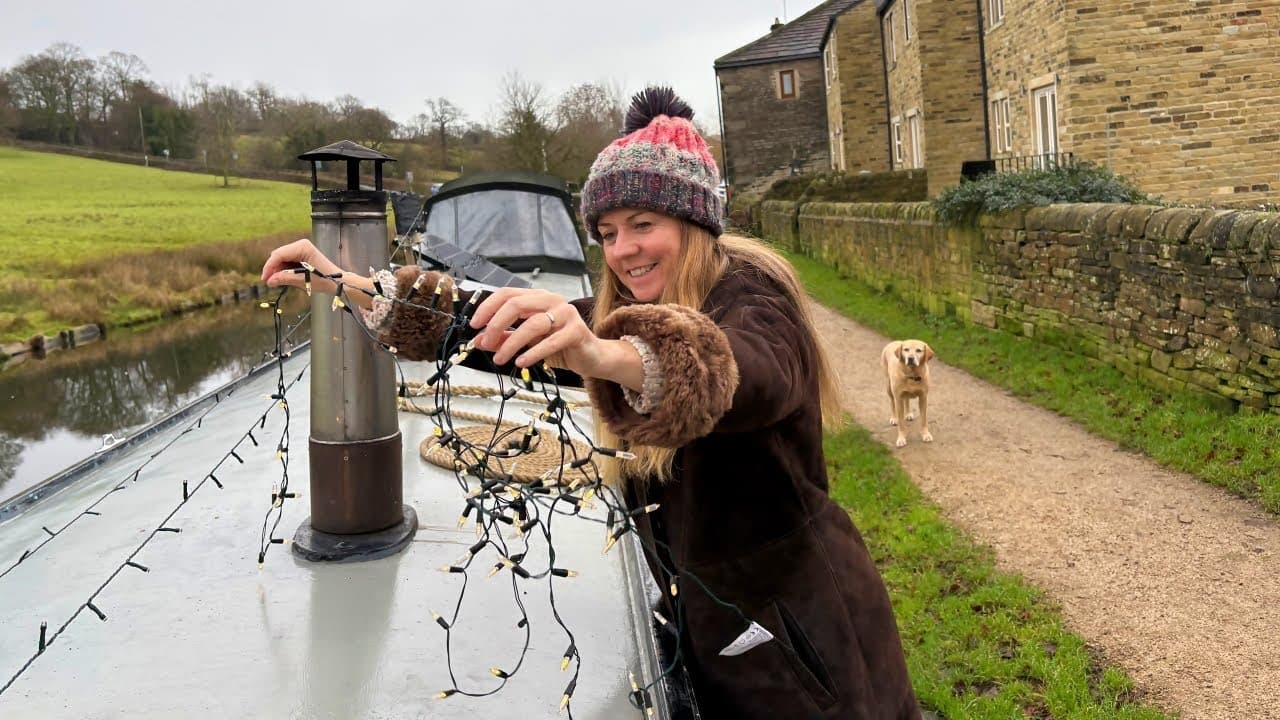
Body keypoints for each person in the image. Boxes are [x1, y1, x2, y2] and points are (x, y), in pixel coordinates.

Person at [263, 87, 921, 719]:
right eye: (606, 232)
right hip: (709, 631)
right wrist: (344, 281)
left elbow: (744, 372)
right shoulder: (635, 310)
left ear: (694, 221)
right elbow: (492, 324)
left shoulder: (755, 298)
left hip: (803, 646)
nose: (623, 249)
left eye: (643, 224)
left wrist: (604, 357)